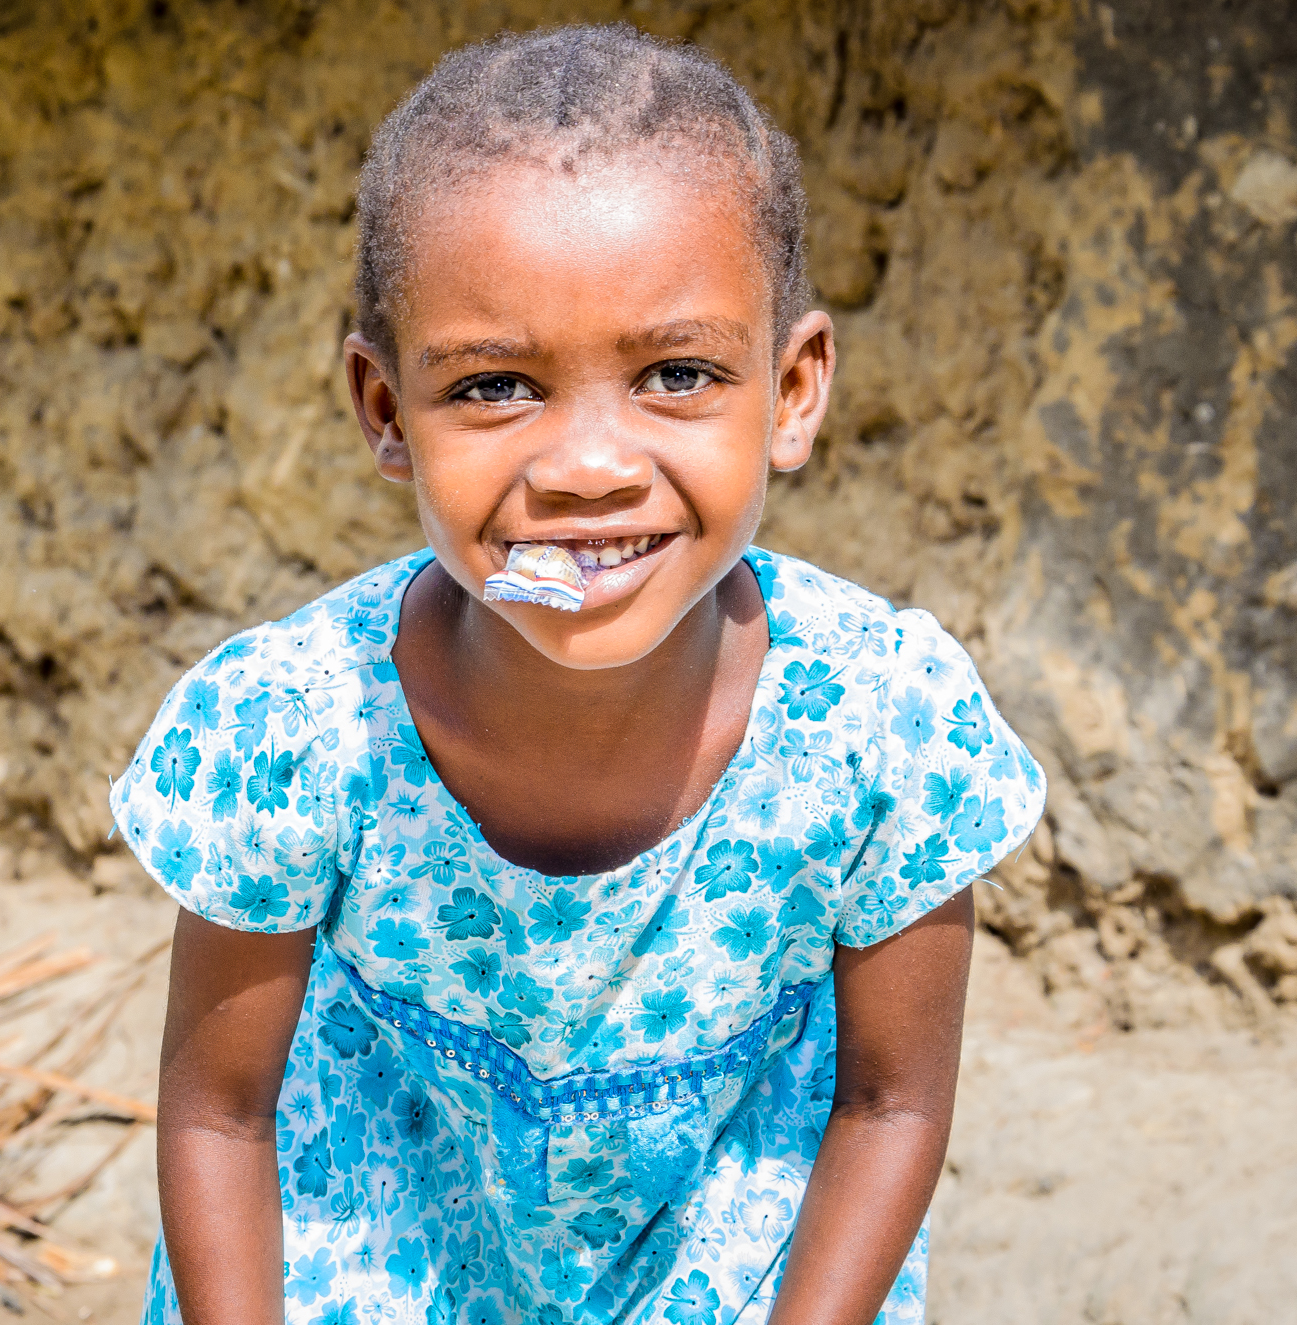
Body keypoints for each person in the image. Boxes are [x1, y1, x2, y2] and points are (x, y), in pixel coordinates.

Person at [109, 24, 1045, 1325]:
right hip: (387, 1248)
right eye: (496, 386)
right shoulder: (293, 726)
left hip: (722, 1265)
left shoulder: (885, 726)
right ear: (387, 413)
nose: (587, 466)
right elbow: (221, 1110)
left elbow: (893, 1100)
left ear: (791, 390)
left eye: (677, 374)